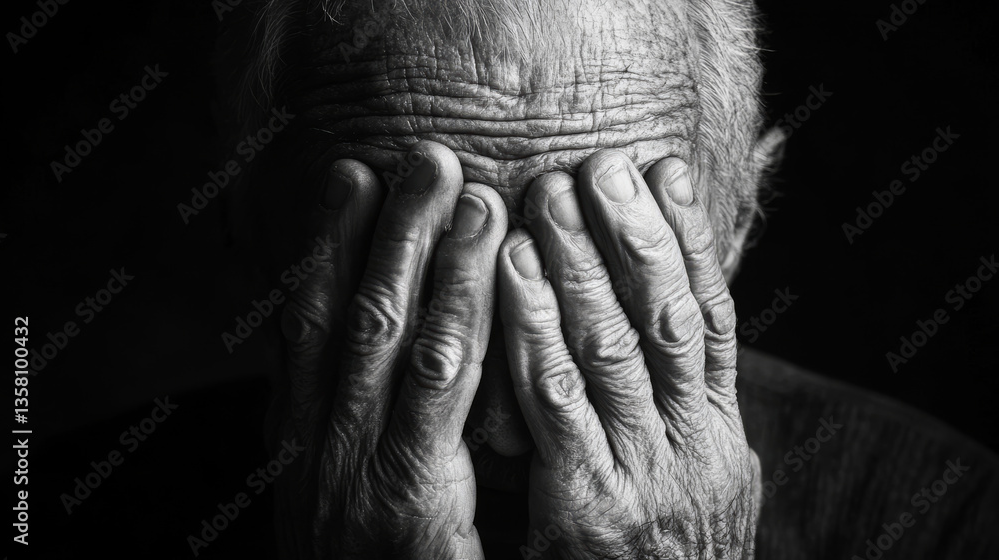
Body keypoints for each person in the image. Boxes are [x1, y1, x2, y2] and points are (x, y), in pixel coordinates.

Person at [214, 0, 999, 557]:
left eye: (593, 265)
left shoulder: (951, 518)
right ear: (259, 232)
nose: (507, 418)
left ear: (735, 222)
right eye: (415, 266)